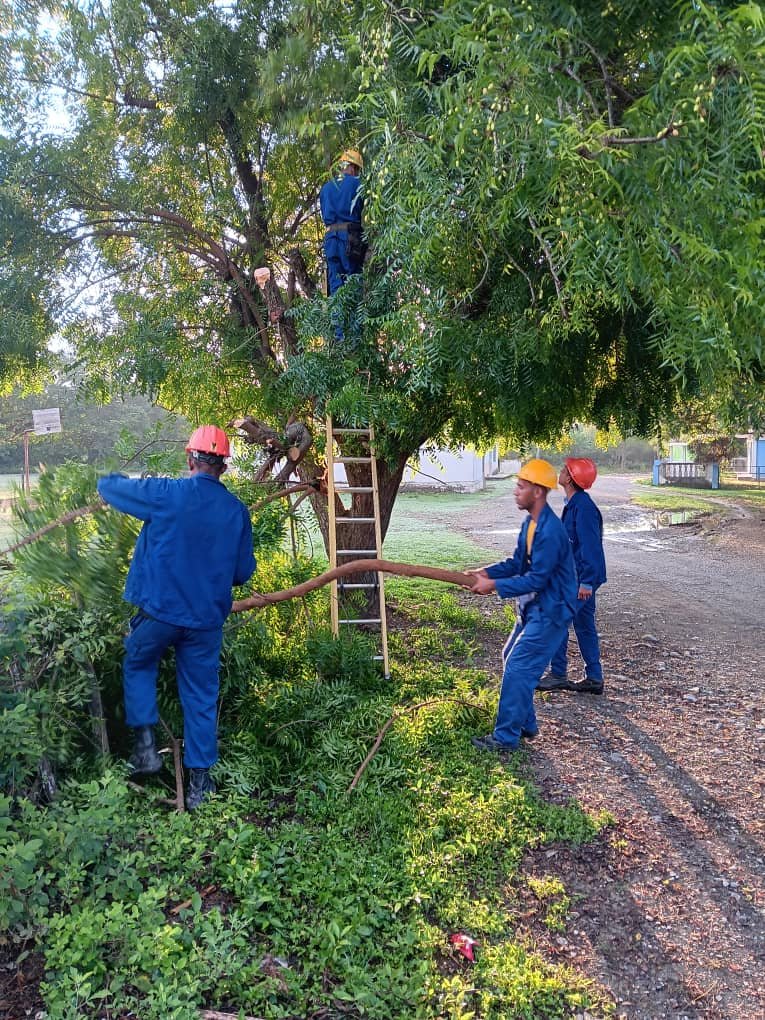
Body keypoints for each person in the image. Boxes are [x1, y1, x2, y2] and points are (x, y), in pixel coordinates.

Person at [97, 426, 256, 810]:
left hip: (160, 614)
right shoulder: (236, 511)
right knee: (200, 697)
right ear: (223, 468)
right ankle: (201, 787)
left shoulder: (167, 494)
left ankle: (146, 749)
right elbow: (242, 573)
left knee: (138, 662)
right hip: (204, 623)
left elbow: (111, 489)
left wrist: (107, 478)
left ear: (190, 460)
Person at [468, 459, 578, 751]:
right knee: (512, 658)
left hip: (551, 611)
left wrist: (493, 586)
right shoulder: (531, 523)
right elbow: (517, 564)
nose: (516, 491)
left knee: (518, 667)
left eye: (521, 486)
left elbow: (536, 579)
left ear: (538, 492)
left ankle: (505, 739)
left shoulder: (551, 532)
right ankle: (526, 724)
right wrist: (486, 572)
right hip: (534, 608)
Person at [538, 457, 607, 695]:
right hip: (576, 576)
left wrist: (586, 581)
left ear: (570, 478)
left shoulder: (583, 507)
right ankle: (594, 678)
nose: (560, 471)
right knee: (584, 624)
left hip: (581, 579)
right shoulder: (574, 503)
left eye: (564, 469)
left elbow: (590, 547)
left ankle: (558, 674)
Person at [319, 148, 365, 338]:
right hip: (350, 239)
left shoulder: (326, 188)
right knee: (353, 285)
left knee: (336, 289)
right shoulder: (357, 184)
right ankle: (354, 341)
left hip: (331, 240)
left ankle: (340, 339)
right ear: (353, 168)